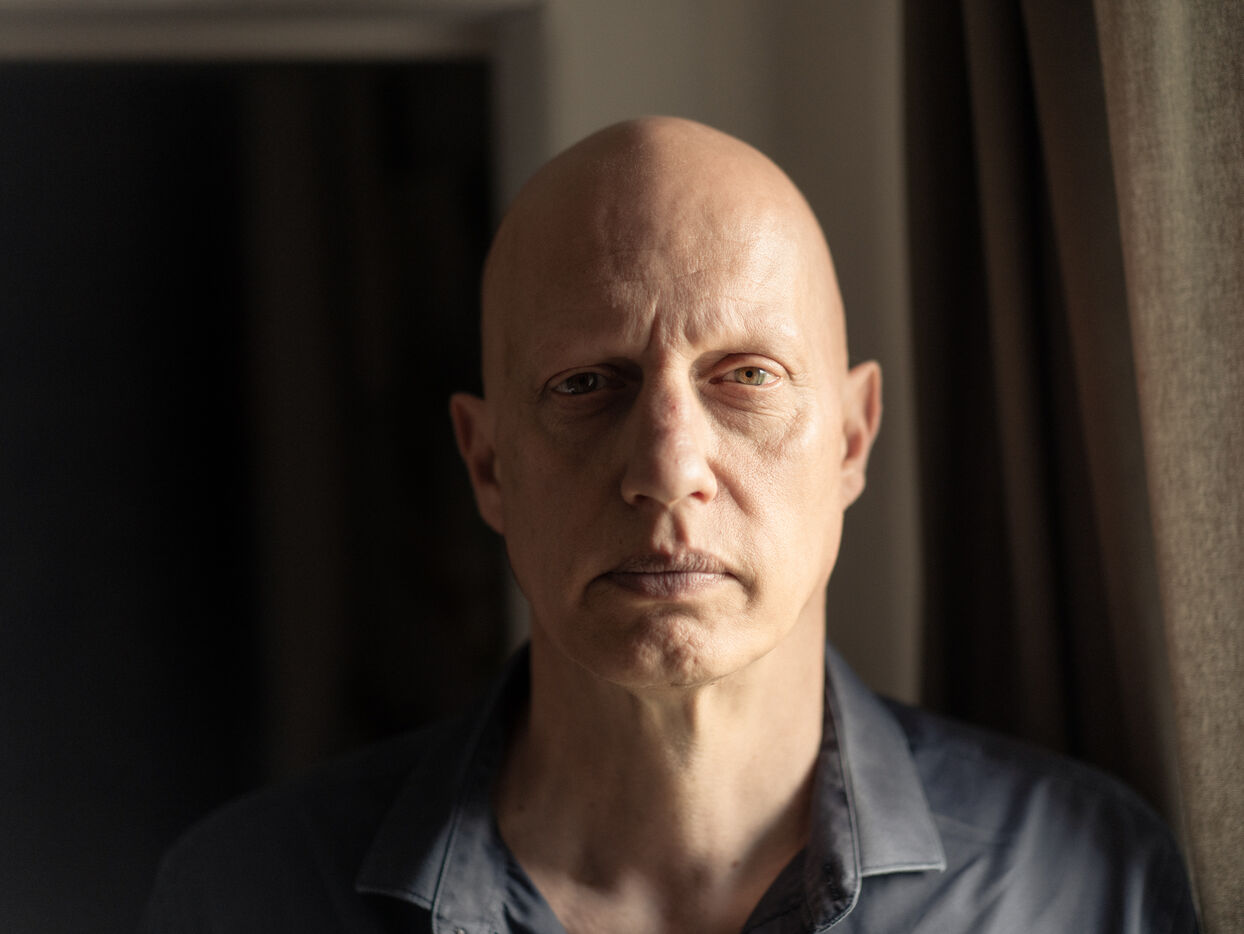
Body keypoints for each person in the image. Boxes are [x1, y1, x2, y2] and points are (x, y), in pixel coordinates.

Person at [141, 117, 1197, 933]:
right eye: (586, 383)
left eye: (745, 377)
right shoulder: (248, 899)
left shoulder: (1080, 885)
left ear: (849, 438)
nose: (666, 469)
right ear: (487, 462)